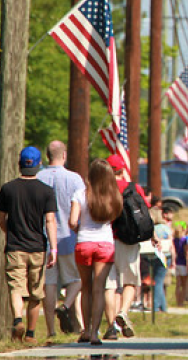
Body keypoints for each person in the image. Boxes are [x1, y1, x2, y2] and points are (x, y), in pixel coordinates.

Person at [0, 146, 58, 344]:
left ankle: (18, 319)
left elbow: (1, 218)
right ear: (39, 164)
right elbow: (50, 221)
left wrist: (9, 231)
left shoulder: (7, 189)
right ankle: (31, 334)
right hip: (37, 247)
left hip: (15, 246)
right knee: (35, 291)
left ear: (19, 164)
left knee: (16, 288)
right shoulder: (46, 191)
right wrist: (54, 248)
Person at [69, 158, 123, 345]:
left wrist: (80, 229)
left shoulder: (80, 194)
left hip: (84, 243)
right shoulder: (114, 197)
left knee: (86, 288)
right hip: (105, 245)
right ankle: (95, 334)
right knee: (99, 288)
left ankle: (85, 330)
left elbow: (72, 222)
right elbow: (114, 218)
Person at [37, 140, 85, 337]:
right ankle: (68, 310)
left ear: (47, 156)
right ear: (64, 156)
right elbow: (82, 208)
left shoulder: (38, 177)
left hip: (44, 240)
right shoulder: (75, 179)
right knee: (77, 280)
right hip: (69, 238)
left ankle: (50, 331)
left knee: (49, 286)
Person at [106, 153, 149, 339]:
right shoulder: (134, 188)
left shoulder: (103, 189)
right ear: (123, 169)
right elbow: (146, 210)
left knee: (110, 286)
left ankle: (111, 327)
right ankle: (123, 312)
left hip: (106, 240)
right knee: (130, 282)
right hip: (128, 241)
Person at [150, 208, 174, 313]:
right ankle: (161, 307)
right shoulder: (166, 228)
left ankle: (158, 307)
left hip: (154, 255)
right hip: (166, 255)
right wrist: (173, 259)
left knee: (157, 281)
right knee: (159, 281)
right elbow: (171, 245)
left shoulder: (153, 229)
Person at [172, 221, 188, 306]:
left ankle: (177, 301)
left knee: (177, 284)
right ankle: (181, 302)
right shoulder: (185, 240)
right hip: (183, 263)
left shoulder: (174, 240)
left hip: (177, 262)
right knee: (184, 284)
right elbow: (187, 253)